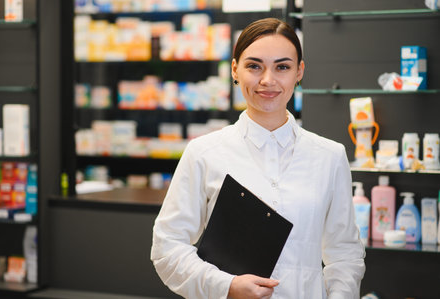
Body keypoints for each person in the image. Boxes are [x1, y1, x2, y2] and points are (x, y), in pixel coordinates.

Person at [151, 17, 365, 299]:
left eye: (282, 67)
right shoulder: (204, 153)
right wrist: (225, 286)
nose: (268, 80)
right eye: (254, 66)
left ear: (299, 72)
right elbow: (167, 248)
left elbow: (344, 254)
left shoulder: (329, 156)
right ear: (235, 69)